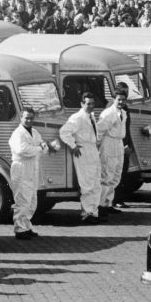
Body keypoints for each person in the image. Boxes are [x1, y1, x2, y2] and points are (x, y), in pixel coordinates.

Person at [59, 92, 102, 224]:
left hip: (93, 151)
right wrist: (73, 146)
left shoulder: (91, 116)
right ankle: (86, 214)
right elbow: (64, 131)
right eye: (88, 104)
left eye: (92, 104)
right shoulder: (77, 117)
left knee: (96, 183)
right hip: (83, 152)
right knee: (87, 184)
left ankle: (94, 212)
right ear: (82, 104)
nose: (91, 106)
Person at [9, 107, 49, 240]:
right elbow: (22, 150)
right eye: (26, 117)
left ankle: (26, 226)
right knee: (22, 200)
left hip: (32, 168)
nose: (29, 120)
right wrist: (39, 148)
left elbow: (42, 143)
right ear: (21, 118)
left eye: (31, 118)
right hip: (21, 168)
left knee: (32, 200)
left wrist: (42, 144)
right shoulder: (18, 134)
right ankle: (20, 229)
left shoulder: (35, 132)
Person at [97, 89, 127, 215]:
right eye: (118, 99)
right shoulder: (108, 113)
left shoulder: (123, 113)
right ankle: (100, 205)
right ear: (114, 99)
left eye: (123, 99)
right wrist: (97, 146)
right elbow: (99, 130)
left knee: (116, 174)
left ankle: (108, 203)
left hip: (119, 143)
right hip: (108, 142)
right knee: (106, 175)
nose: (121, 102)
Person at [113, 82, 133, 209]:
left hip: (124, 144)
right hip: (116, 145)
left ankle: (118, 198)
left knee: (122, 172)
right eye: (122, 93)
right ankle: (115, 199)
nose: (123, 99)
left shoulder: (124, 109)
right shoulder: (111, 110)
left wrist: (129, 144)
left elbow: (127, 129)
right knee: (116, 173)